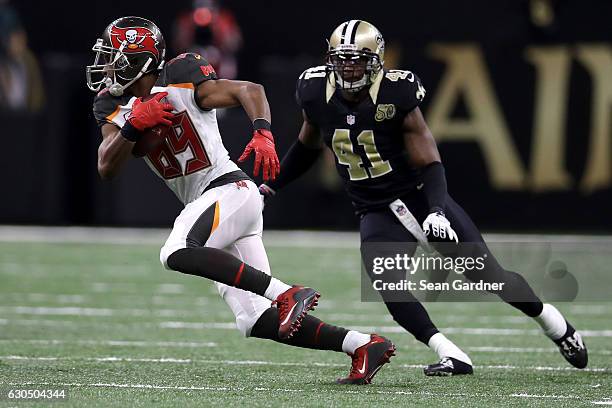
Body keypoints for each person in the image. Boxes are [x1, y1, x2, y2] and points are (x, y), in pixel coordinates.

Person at [259, 19, 588, 375]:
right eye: (342, 59)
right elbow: (306, 146)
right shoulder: (313, 90)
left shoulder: (396, 93)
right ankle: (451, 353)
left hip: (417, 197)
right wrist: (271, 185)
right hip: (374, 209)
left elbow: (429, 160)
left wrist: (436, 210)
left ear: (376, 61)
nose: (348, 67)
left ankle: (554, 324)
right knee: (388, 284)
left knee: (488, 277)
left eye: (357, 60)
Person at [87, 16, 394, 385]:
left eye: (115, 58)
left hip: (228, 190)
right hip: (213, 205)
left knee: (176, 251)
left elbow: (249, 90)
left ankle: (286, 292)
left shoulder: (180, 76)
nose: (106, 67)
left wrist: (262, 132)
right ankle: (362, 345)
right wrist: (135, 124)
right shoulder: (111, 103)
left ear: (140, 61)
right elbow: (107, 164)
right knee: (255, 320)